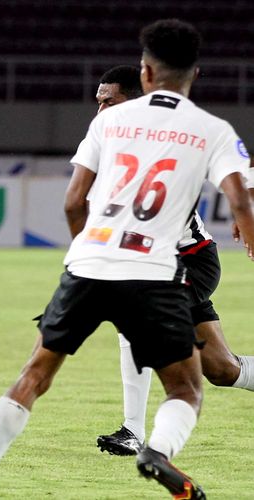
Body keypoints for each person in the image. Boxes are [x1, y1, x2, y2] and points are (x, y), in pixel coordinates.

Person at [0, 19, 253, 499]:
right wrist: (247, 227)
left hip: (111, 262)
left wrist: (82, 256)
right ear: (194, 74)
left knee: (35, 373)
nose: (99, 105)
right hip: (154, 269)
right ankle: (153, 448)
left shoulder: (108, 126)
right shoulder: (208, 129)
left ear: (146, 73)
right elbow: (239, 193)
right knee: (197, 382)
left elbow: (74, 202)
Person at [92, 66, 254, 456]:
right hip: (155, 261)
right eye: (97, 102)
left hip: (191, 259)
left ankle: (132, 431)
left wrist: (243, 210)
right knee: (221, 369)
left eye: (108, 101)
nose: (99, 111)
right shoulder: (104, 141)